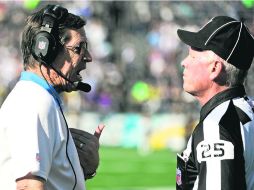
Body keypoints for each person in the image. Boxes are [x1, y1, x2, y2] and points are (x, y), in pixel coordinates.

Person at [0, 4, 105, 190]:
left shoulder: (38, 98)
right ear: (46, 50)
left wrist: (83, 170)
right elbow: (27, 187)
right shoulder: (34, 101)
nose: (88, 57)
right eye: (80, 48)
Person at [176, 16, 254, 190]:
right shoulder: (247, 110)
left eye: (193, 57)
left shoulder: (216, 128)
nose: (184, 63)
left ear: (214, 69)